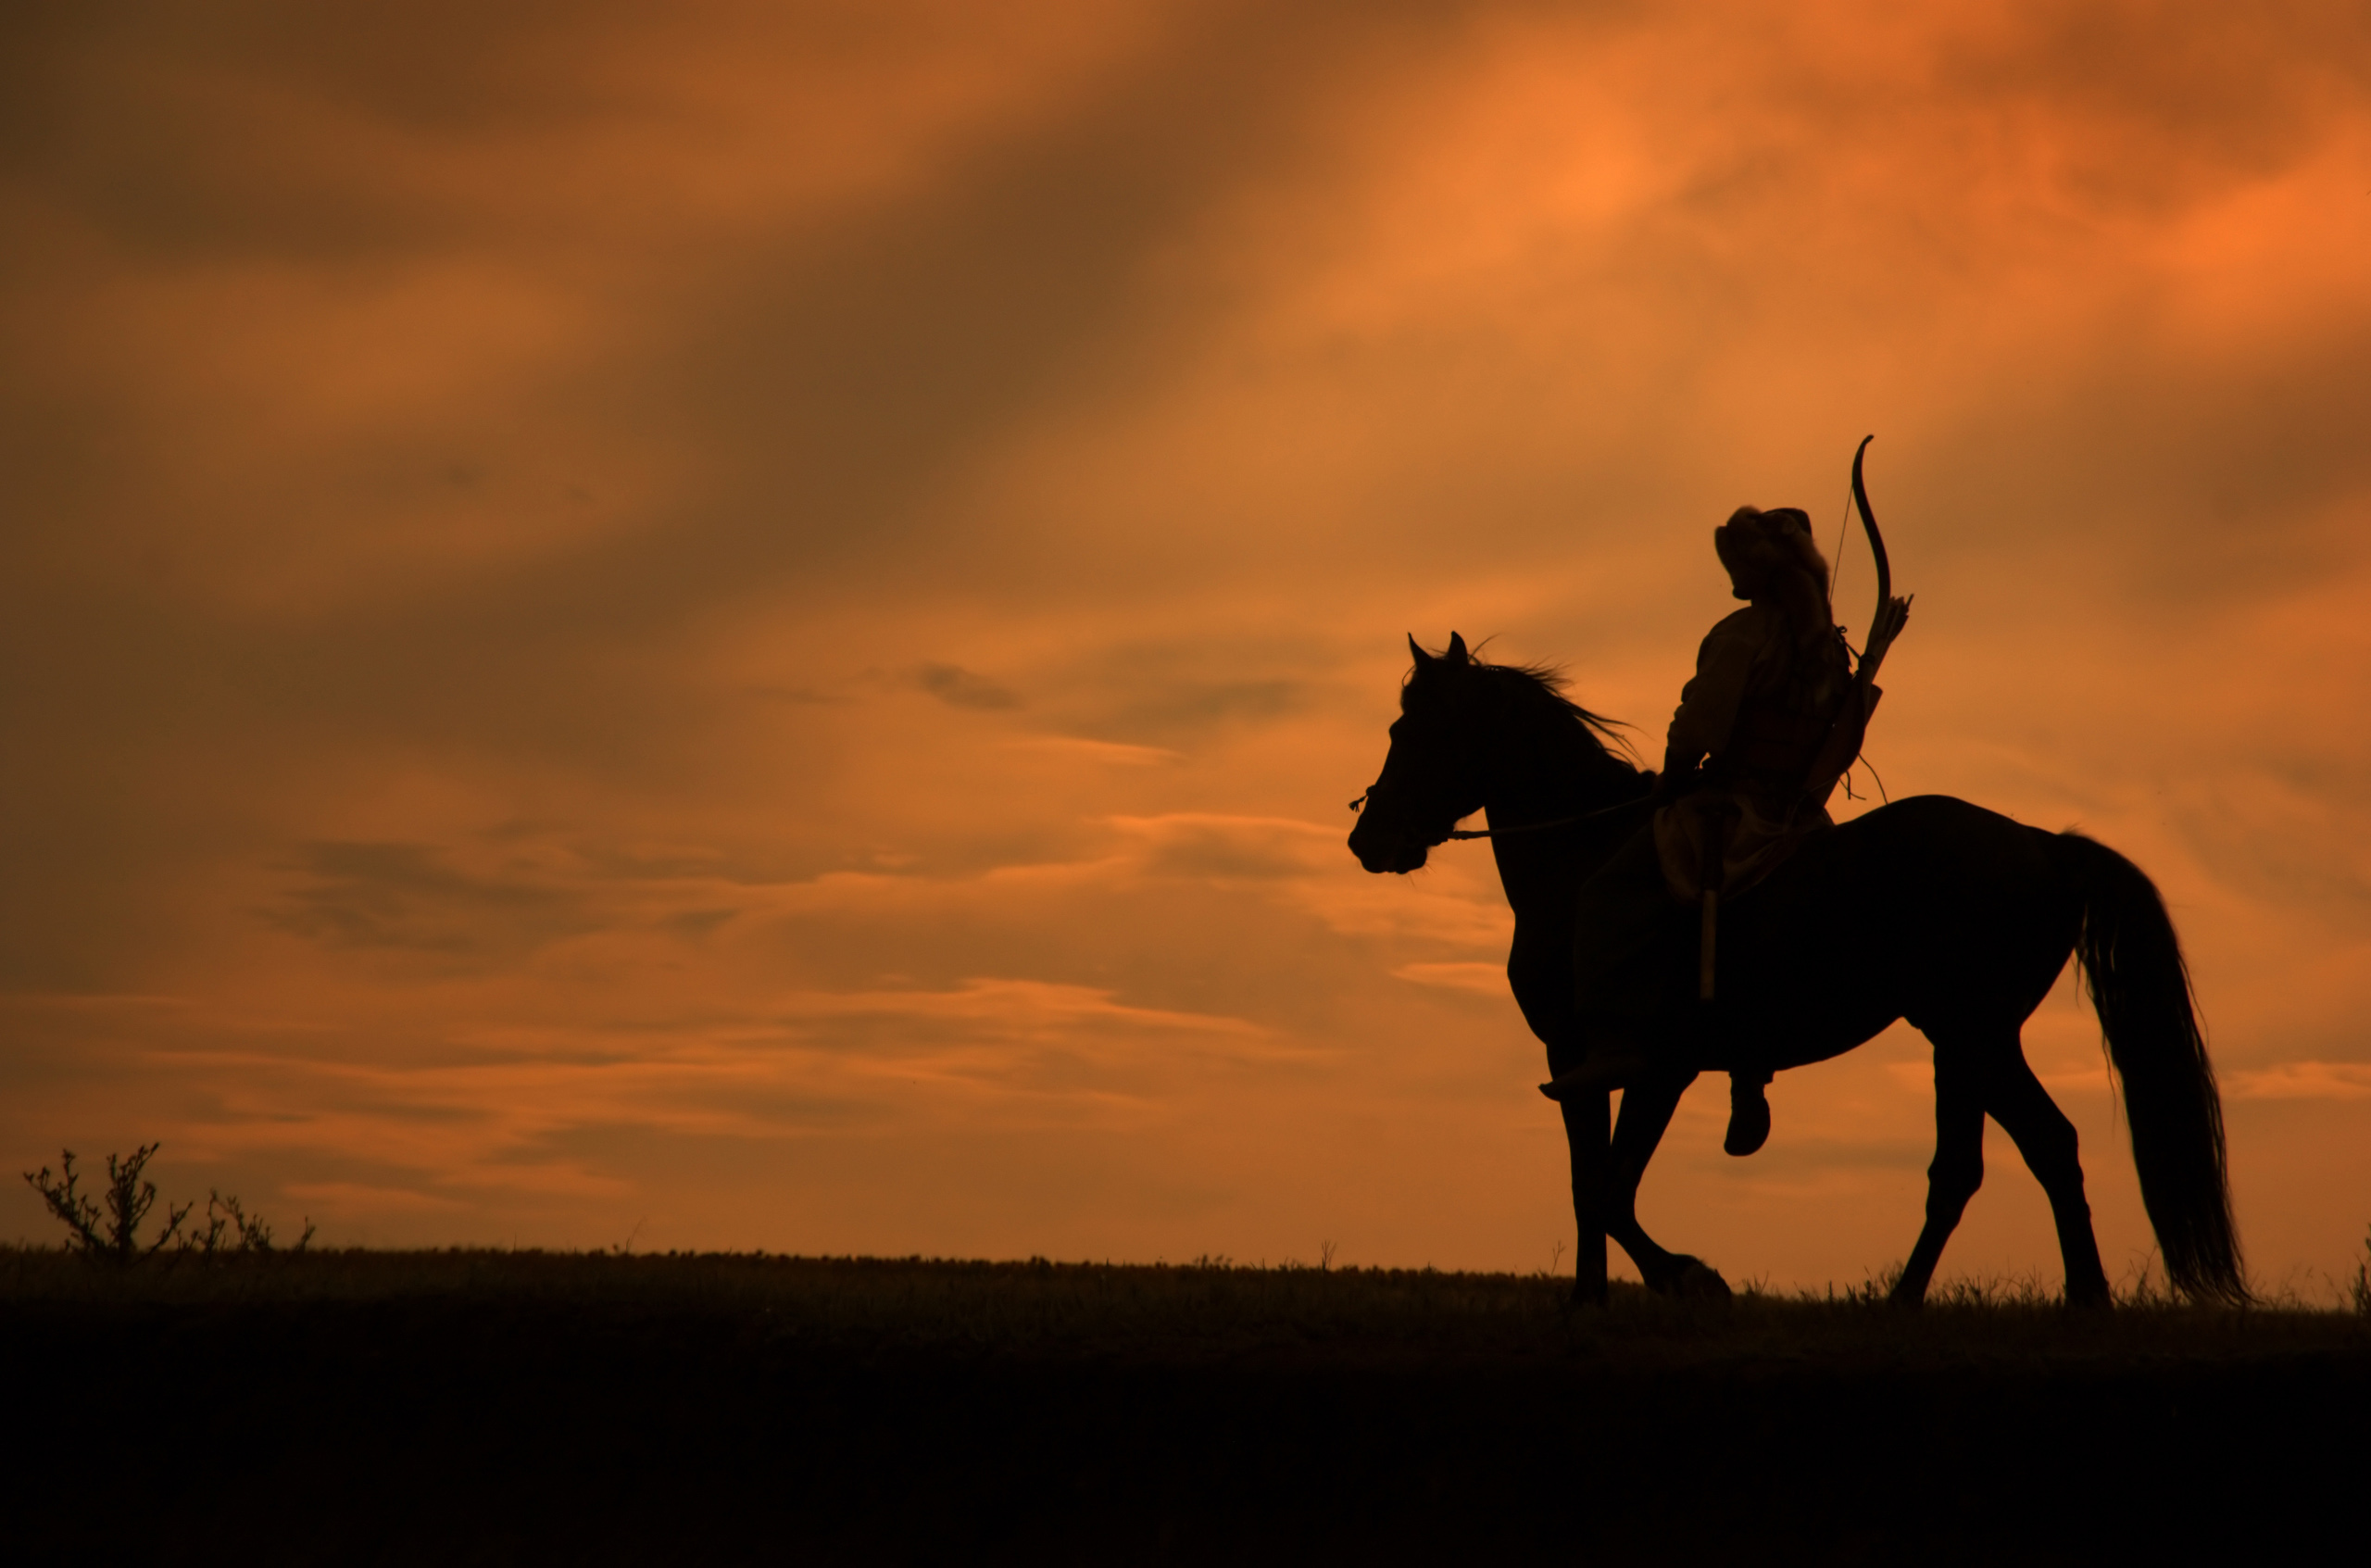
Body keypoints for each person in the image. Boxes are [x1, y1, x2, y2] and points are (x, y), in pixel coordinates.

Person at [1540, 507, 1852, 1151]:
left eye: (1736, 564)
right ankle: (1748, 1077)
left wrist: (1672, 776)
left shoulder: (1743, 635)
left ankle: (1616, 1042)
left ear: (1754, 571)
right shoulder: (1825, 647)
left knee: (1606, 894)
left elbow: (1698, 726)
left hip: (1735, 813)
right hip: (1802, 818)